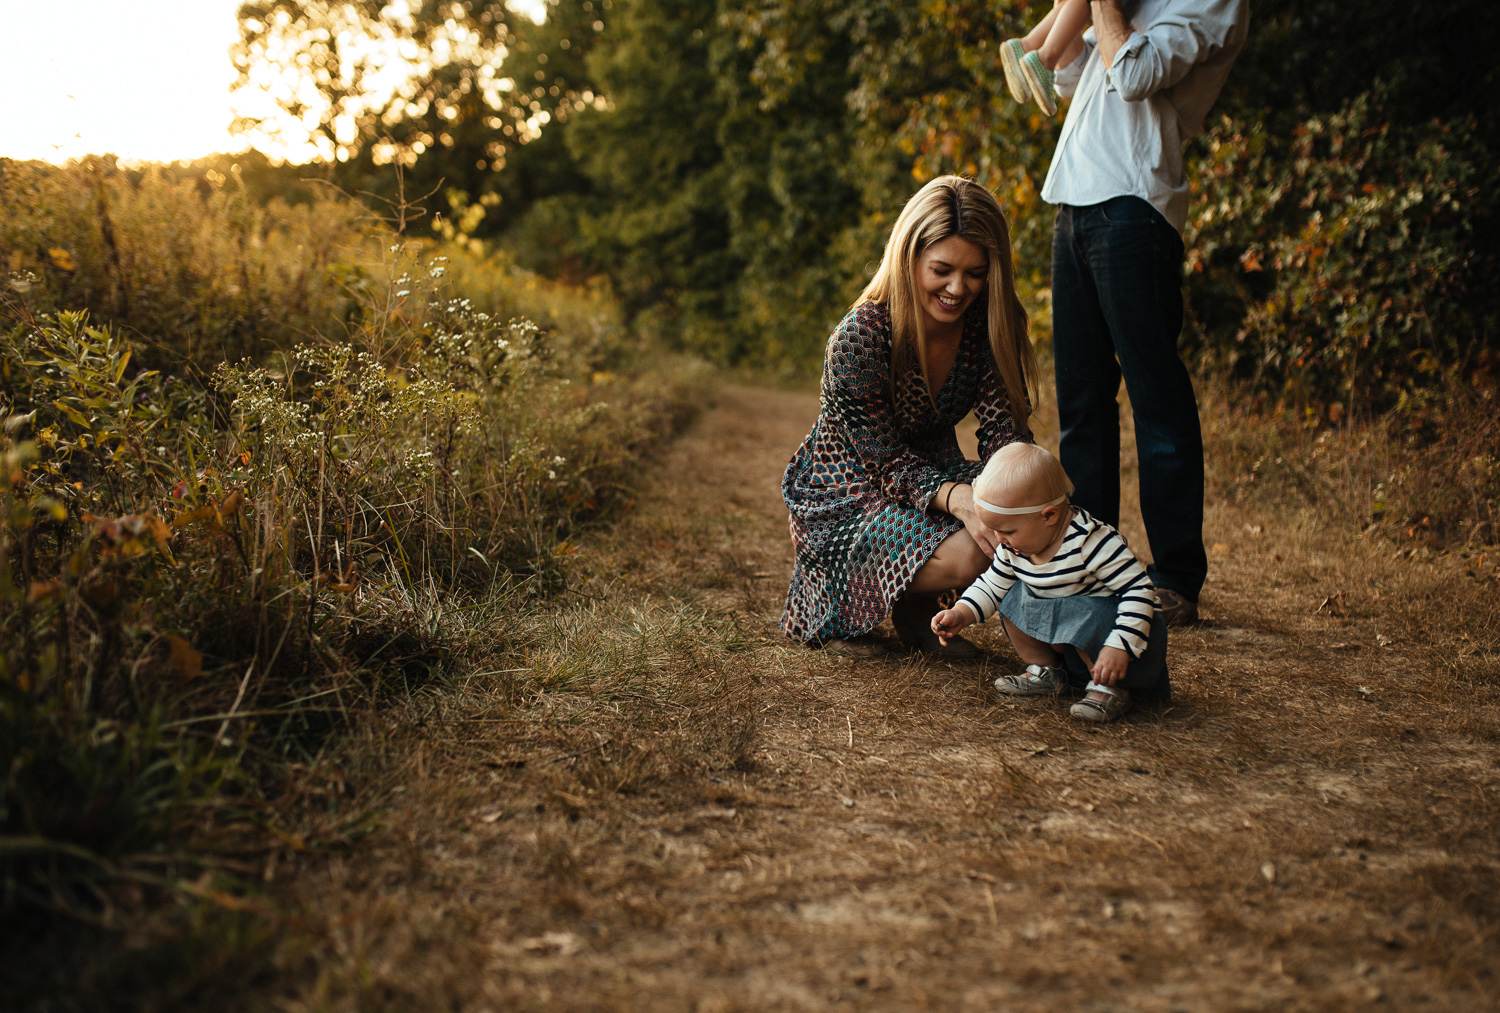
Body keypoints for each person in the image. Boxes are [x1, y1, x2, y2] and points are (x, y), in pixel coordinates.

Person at [1040, 0, 1250, 626]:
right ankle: (1090, 564)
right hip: (1073, 202)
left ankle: (1176, 577)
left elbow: (1133, 76)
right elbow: (1073, 81)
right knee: (1081, 402)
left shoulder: (1212, 2)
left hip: (1136, 206)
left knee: (1156, 397)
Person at [781, 175, 1037, 658]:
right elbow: (884, 460)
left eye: (975, 273)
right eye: (941, 269)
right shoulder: (862, 335)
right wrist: (960, 499)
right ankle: (843, 603)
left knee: (1021, 519)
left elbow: (1005, 432)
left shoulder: (986, 325)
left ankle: (923, 617)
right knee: (969, 550)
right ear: (908, 257)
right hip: (848, 491)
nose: (958, 289)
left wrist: (1018, 495)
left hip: (932, 474)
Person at [930, 442, 1168, 723]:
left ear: (1049, 516)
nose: (999, 539)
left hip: (1116, 653)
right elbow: (992, 584)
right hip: (1070, 649)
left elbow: (1139, 591)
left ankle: (1109, 689)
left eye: (1006, 530)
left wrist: (1120, 645)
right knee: (1010, 594)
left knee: (1089, 610)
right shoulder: (1014, 548)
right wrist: (961, 612)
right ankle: (1048, 671)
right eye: (995, 530)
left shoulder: (1090, 543)